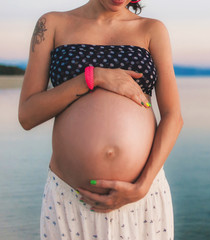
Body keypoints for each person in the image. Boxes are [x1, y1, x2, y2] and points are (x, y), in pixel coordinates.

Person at [18, 0, 183, 239]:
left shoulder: (152, 29)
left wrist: (141, 187)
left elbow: (173, 117)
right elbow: (27, 115)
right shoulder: (51, 23)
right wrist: (92, 77)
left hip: (141, 196)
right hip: (71, 197)